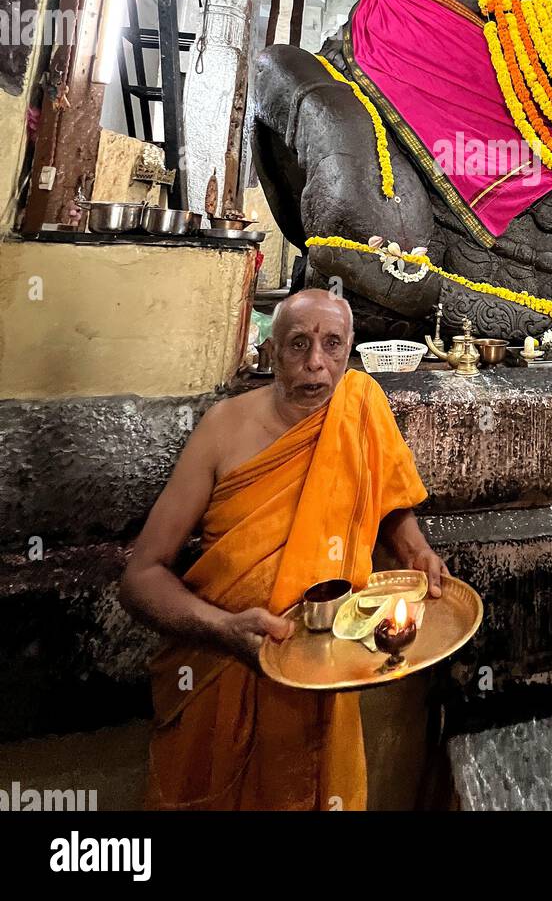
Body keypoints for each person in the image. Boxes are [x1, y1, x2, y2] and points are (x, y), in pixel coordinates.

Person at [120, 289, 446, 810]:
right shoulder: (223, 430)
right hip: (223, 673)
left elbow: (384, 496)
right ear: (271, 353)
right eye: (298, 344)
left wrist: (414, 548)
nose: (315, 362)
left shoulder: (361, 407)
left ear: (349, 351)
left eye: (331, 345)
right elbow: (141, 577)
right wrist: (223, 631)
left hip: (328, 670)